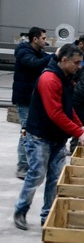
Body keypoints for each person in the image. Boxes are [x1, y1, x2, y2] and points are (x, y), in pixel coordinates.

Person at [13, 44, 84, 231]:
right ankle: (20, 210)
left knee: (55, 179)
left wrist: (78, 124)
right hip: (40, 136)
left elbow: (67, 108)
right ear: (63, 60)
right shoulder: (49, 79)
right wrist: (78, 132)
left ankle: (47, 215)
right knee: (36, 175)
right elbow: (55, 113)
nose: (79, 66)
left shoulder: (65, 78)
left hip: (57, 138)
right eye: (76, 62)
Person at [11, 27, 57, 180]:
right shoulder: (24, 52)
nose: (46, 41)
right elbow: (34, 64)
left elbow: (47, 60)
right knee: (26, 131)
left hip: (35, 99)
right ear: (35, 39)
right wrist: (54, 56)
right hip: (24, 99)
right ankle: (23, 166)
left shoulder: (39, 53)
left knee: (33, 131)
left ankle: (31, 163)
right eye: (43, 38)